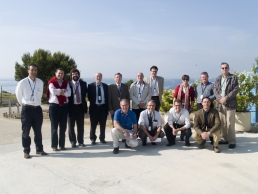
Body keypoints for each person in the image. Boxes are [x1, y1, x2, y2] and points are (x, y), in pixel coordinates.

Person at [15, 64, 48, 159]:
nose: (34, 71)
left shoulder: (40, 82)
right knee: (26, 132)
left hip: (37, 109)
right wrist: (25, 104)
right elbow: (18, 95)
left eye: (35, 70)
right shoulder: (22, 82)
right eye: (32, 70)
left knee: (38, 131)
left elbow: (40, 95)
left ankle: (39, 149)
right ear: (28, 71)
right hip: (27, 109)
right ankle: (26, 151)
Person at [214, 62, 238, 149]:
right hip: (220, 104)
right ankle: (224, 139)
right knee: (222, 123)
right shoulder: (218, 78)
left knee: (230, 123)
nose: (224, 69)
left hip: (230, 104)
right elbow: (215, 90)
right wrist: (220, 99)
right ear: (221, 69)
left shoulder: (233, 78)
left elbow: (235, 90)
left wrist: (226, 98)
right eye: (223, 68)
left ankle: (232, 141)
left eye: (226, 68)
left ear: (229, 68)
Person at [47, 68, 71, 151]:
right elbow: (53, 91)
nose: (60, 75)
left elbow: (69, 93)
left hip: (64, 107)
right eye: (59, 73)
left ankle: (62, 145)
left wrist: (59, 91)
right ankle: (54, 146)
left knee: (63, 127)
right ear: (56, 73)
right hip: (54, 106)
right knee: (54, 127)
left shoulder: (66, 83)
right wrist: (63, 91)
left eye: (62, 73)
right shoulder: (51, 82)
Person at [67, 69, 88, 148]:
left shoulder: (83, 84)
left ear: (79, 75)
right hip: (71, 108)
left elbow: (86, 95)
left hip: (80, 107)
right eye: (73, 74)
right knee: (71, 127)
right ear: (71, 76)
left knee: (80, 126)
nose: (75, 75)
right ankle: (73, 142)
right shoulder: (68, 84)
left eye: (76, 74)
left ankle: (81, 141)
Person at [88, 72, 109, 145]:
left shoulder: (106, 86)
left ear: (101, 77)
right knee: (93, 125)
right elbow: (89, 97)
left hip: (103, 108)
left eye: (99, 76)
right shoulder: (90, 86)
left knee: (103, 124)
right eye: (97, 76)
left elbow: (107, 97)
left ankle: (102, 138)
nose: (98, 78)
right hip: (94, 108)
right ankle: (93, 138)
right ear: (94, 77)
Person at [195, 72, 215, 144]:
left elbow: (215, 95)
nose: (204, 78)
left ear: (208, 77)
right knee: (201, 123)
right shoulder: (197, 86)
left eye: (205, 77)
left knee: (211, 121)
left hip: (209, 105)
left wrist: (207, 99)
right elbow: (196, 95)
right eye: (202, 77)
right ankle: (202, 140)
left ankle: (212, 139)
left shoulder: (212, 85)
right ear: (201, 78)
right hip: (200, 105)